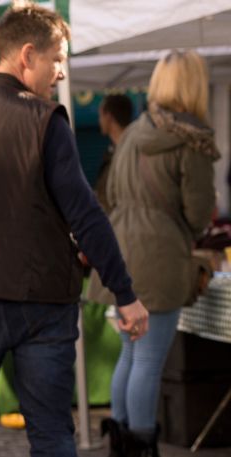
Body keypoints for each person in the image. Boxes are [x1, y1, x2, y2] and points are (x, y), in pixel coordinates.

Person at [0, 5, 150, 456]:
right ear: (27, 55)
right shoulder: (44, 120)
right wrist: (125, 292)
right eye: (57, 59)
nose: (60, 72)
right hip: (42, 302)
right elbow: (85, 214)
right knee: (52, 432)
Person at [91, 51, 217, 456]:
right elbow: (198, 214)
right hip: (160, 256)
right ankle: (141, 448)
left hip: (121, 252)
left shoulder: (133, 132)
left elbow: (109, 194)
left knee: (130, 356)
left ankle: (122, 446)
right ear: (194, 85)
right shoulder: (190, 138)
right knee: (147, 361)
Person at [94, 94, 136, 211]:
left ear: (109, 117)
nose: (99, 120)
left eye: (100, 115)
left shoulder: (132, 150)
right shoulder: (112, 150)